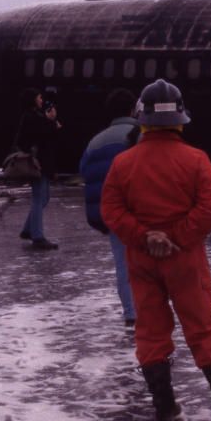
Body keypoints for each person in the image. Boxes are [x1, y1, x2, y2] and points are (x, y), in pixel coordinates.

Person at [101, 79, 211, 421]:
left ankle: (165, 409)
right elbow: (210, 209)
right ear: (180, 120)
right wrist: (174, 238)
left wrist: (145, 237)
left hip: (141, 260)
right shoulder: (196, 160)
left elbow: (110, 209)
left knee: (151, 330)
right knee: (204, 326)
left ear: (142, 118)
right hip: (185, 258)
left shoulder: (123, 164)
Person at [79, 93, 140, 327]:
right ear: (133, 109)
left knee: (122, 263)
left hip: (112, 212)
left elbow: (84, 169)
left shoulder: (96, 140)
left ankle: (130, 314)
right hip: (140, 208)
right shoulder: (141, 135)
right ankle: (150, 308)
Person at [17, 90, 61, 250]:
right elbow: (44, 136)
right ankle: (37, 236)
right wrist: (51, 121)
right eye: (39, 97)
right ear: (33, 99)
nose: (41, 99)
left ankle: (29, 229)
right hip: (38, 163)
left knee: (43, 198)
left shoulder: (31, 116)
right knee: (38, 197)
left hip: (41, 163)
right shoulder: (32, 117)